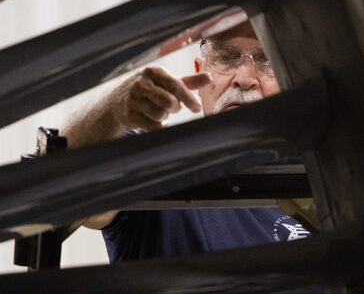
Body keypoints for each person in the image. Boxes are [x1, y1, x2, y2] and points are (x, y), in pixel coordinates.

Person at [61, 21, 311, 262]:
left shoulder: (330, 178)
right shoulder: (153, 161)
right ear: (200, 73)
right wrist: (112, 111)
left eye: (266, 59)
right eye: (226, 57)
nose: (244, 78)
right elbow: (60, 183)